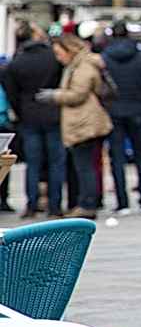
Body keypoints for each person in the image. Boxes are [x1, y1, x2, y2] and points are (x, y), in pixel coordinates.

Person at [40, 32, 111, 219]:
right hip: (83, 120)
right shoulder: (79, 64)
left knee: (84, 165)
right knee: (83, 164)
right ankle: (85, 202)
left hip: (85, 122)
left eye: (59, 52)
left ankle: (88, 204)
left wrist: (54, 96)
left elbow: (78, 94)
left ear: (69, 49)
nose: (58, 57)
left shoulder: (83, 65)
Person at [4, 22, 64, 216]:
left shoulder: (17, 62)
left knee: (33, 162)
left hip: (28, 115)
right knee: (56, 162)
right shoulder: (53, 58)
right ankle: (55, 206)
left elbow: (12, 93)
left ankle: (31, 205)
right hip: (53, 112)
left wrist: (20, 111)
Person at [102, 21, 141, 216]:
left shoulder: (105, 58)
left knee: (116, 157)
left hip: (114, 111)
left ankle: (122, 202)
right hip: (139, 109)